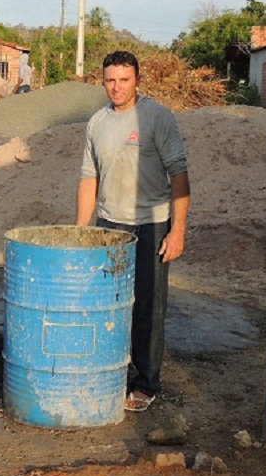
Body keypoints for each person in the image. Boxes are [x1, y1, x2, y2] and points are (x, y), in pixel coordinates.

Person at [75, 50, 190, 413]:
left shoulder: (157, 117)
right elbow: (89, 178)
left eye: (124, 80)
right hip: (110, 225)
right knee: (107, 304)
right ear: (102, 81)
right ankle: (112, 374)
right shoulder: (97, 122)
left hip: (151, 225)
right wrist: (81, 231)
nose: (117, 87)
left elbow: (179, 174)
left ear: (137, 80)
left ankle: (145, 383)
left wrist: (178, 231)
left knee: (148, 308)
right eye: (110, 80)